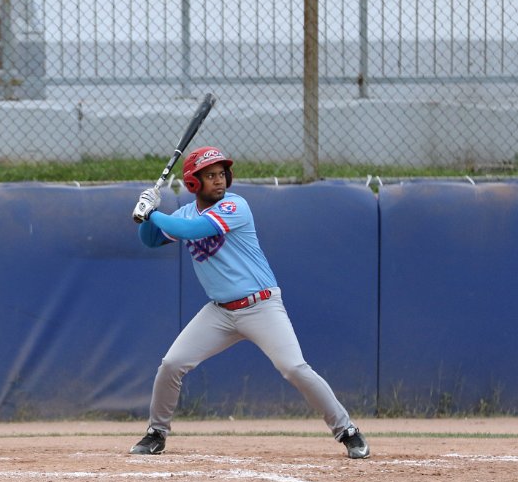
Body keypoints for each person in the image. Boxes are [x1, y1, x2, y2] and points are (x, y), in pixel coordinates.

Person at [130, 146, 370, 459]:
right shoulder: (184, 213)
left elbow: (192, 230)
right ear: (193, 183)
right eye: (210, 176)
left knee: (294, 368)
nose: (219, 180)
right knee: (171, 365)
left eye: (221, 174)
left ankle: (347, 430)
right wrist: (147, 213)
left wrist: (153, 213)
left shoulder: (235, 206)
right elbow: (150, 239)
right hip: (219, 313)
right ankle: (156, 433)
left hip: (261, 306)